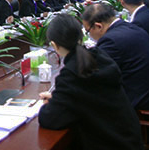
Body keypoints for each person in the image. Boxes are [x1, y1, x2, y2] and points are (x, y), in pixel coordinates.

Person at [38, 14, 143, 149]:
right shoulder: (98, 56)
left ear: (54, 45)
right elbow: (89, 97)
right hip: (129, 139)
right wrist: (59, 97)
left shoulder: (71, 74)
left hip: (109, 144)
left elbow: (50, 119)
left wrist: (49, 104)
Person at [81, 3, 149, 114]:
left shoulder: (111, 41)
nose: (89, 35)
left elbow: (94, 75)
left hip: (141, 110)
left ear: (98, 26)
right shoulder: (133, 28)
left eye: (88, 31)